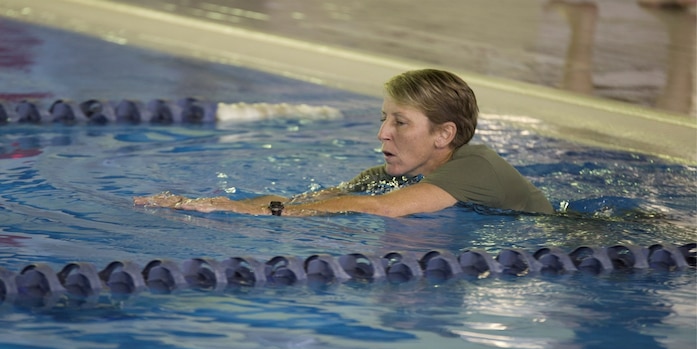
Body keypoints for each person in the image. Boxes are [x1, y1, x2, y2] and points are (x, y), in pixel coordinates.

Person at [134, 69, 555, 217]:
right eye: (384, 119)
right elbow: (315, 199)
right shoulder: (393, 175)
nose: (382, 133)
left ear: (444, 134)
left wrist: (271, 217)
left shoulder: (474, 165)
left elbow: (380, 210)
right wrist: (215, 205)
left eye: (400, 122)